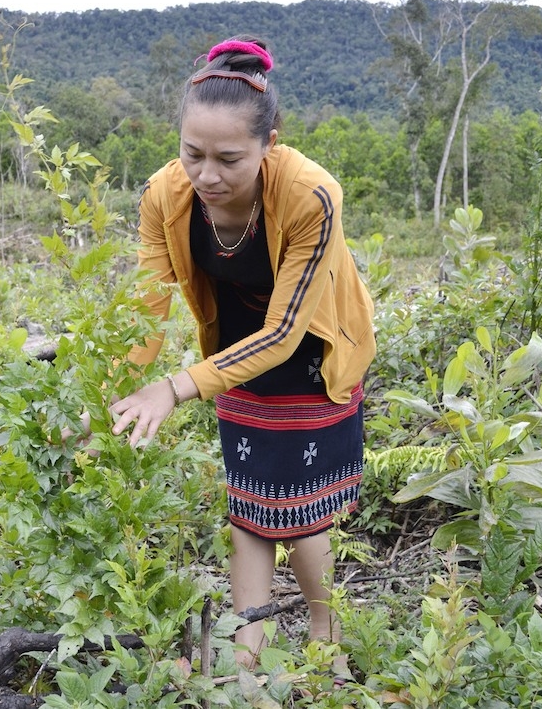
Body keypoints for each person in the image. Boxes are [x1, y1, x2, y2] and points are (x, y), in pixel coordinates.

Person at [108, 35, 376, 671]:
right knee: (249, 497)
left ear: (268, 144)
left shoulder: (312, 194)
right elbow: (145, 308)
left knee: (304, 506)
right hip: (232, 347)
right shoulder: (163, 195)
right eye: (192, 154)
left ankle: (325, 636)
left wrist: (175, 387)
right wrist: (109, 398)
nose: (207, 175)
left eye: (229, 159)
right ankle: (246, 654)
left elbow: (284, 331)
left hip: (310, 344)